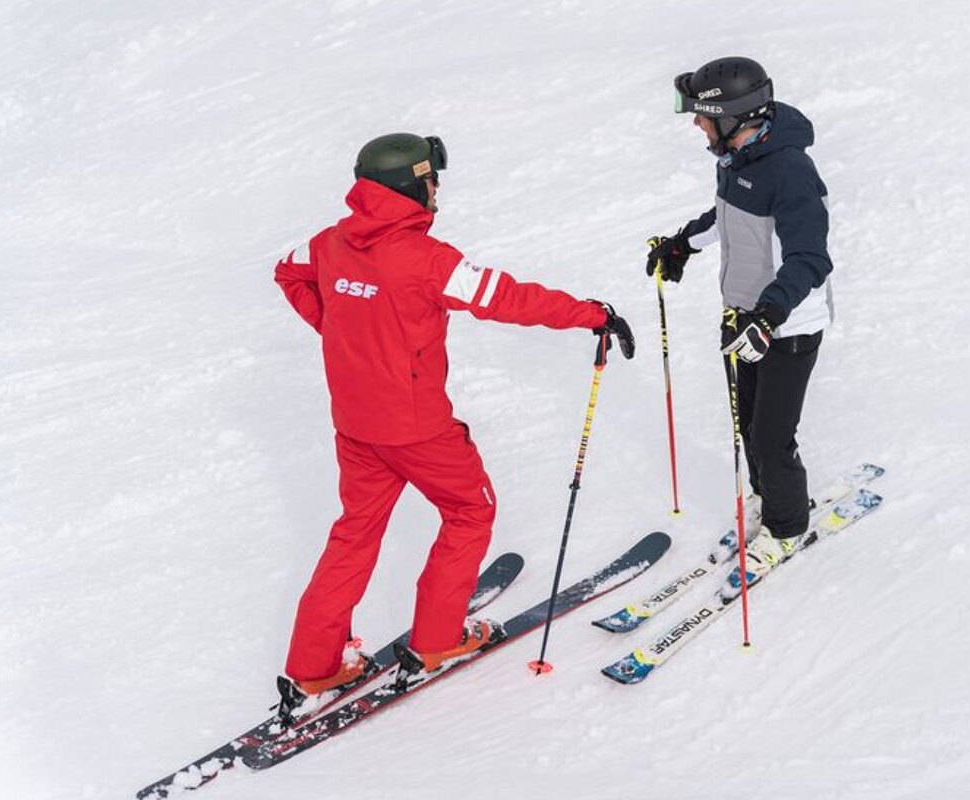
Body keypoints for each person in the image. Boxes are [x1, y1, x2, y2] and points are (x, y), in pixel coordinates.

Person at [272, 132, 633, 717]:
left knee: (355, 532)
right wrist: (591, 314)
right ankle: (437, 639)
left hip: (357, 426)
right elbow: (507, 298)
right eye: (433, 179)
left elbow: (287, 271)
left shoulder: (328, 244)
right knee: (471, 509)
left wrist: (342, 334)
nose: (438, 189)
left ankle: (314, 668)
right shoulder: (427, 261)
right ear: (414, 186)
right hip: (417, 430)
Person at [645, 56, 834, 575]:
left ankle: (788, 527)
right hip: (742, 319)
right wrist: (683, 244)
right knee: (747, 424)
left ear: (734, 117)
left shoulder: (790, 171)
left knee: (773, 436)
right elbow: (728, 217)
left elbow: (810, 259)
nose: (696, 124)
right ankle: (764, 500)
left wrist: (769, 316)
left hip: (787, 325)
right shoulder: (737, 159)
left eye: (703, 116)